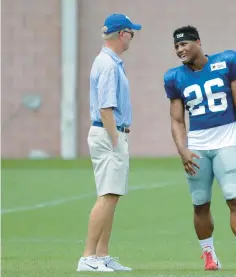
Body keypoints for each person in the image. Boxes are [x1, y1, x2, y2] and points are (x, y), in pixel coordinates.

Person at [163, 25, 236, 271]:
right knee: (200, 203)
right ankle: (209, 255)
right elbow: (176, 119)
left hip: (225, 140)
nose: (180, 50)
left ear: (198, 42)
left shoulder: (226, 62)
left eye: (184, 44)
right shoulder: (174, 77)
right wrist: (182, 150)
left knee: (234, 198)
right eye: (176, 46)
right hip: (197, 147)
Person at [76, 13, 141, 272]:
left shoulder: (112, 62)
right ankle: (88, 256)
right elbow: (106, 108)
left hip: (111, 132)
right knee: (106, 196)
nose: (132, 38)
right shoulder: (107, 64)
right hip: (107, 134)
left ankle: (102, 255)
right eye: (131, 33)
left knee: (112, 195)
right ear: (122, 34)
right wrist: (116, 139)